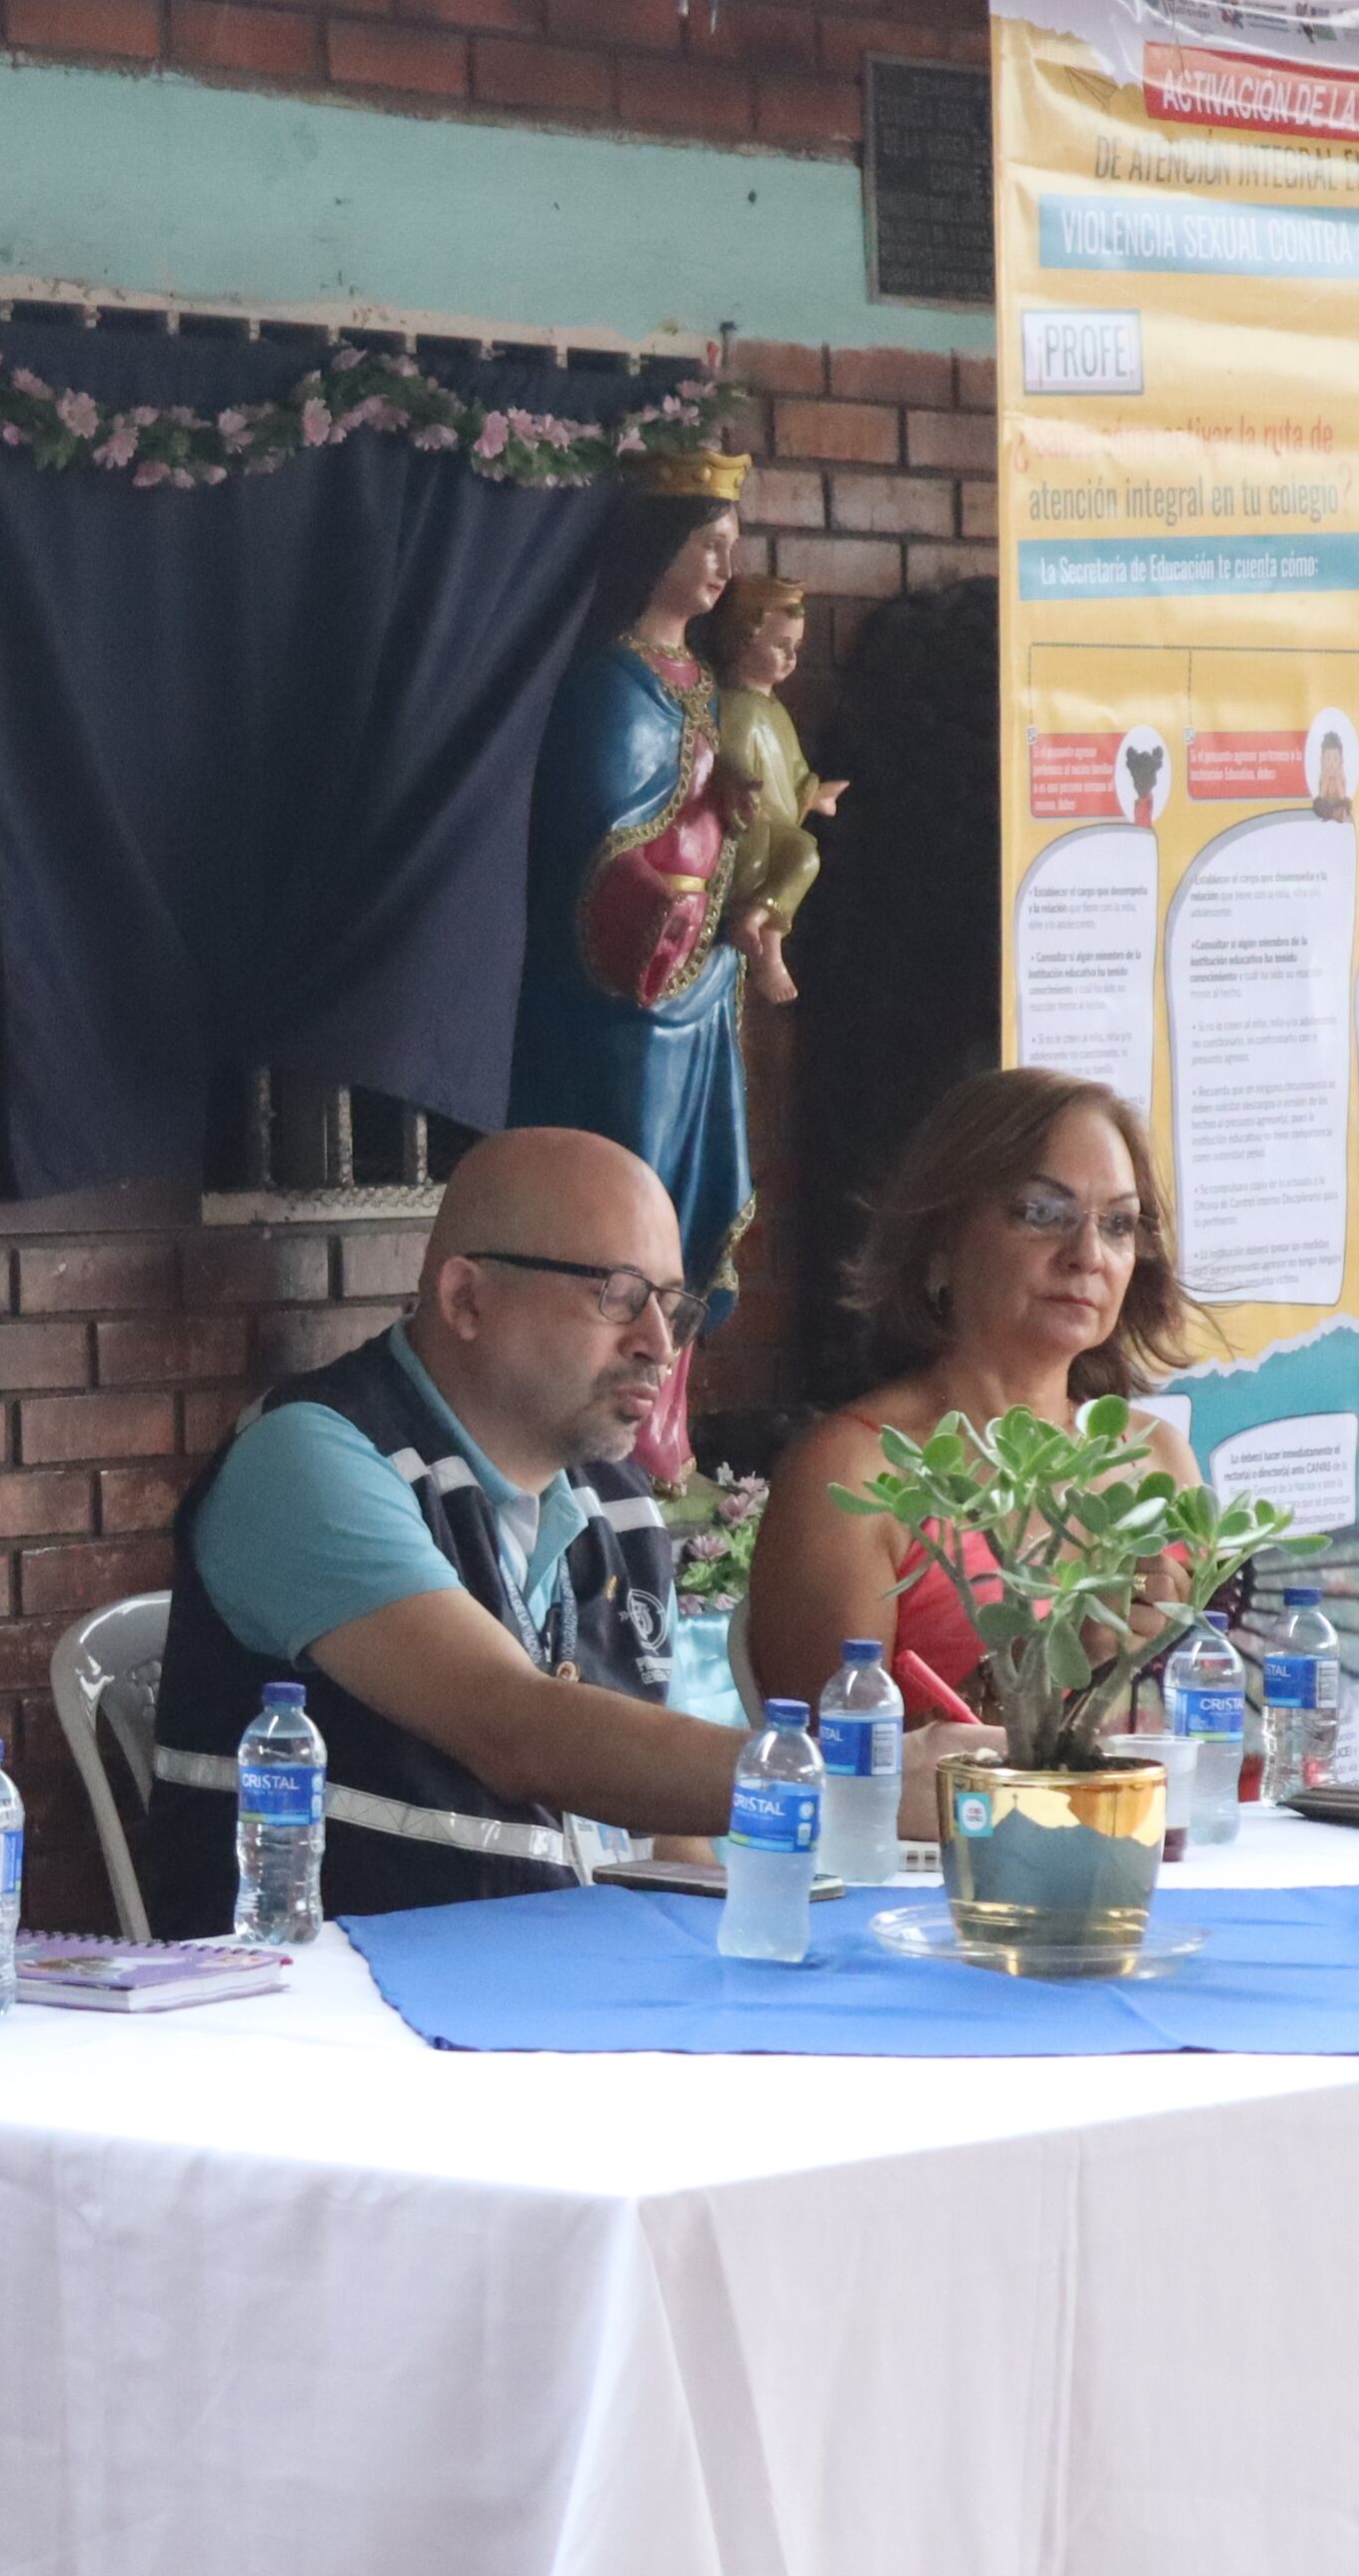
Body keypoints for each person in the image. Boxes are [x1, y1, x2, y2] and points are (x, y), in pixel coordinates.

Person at [146, 1128, 988, 1924]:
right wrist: (846, 1781)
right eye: (618, 1296)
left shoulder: (611, 1495)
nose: (659, 1343)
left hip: (560, 1993)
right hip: (340, 2020)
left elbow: (664, 1836)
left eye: (671, 1305)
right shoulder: (307, 1459)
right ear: (467, 1298)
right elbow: (516, 1728)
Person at [742, 1068, 1204, 1716]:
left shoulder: (1157, 1458)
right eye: (1043, 1213)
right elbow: (825, 1775)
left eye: (1119, 1224)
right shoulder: (853, 1474)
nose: (1087, 1253)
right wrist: (1034, 1673)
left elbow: (1218, 1736)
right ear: (938, 1243)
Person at [511, 455, 757, 1481]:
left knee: (698, 1206)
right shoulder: (608, 682)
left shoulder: (704, 683)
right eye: (704, 546)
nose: (717, 569)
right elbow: (590, 836)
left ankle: (664, 1436)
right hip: (623, 999)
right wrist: (690, 837)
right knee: (627, 1211)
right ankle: (594, 1438)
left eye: (729, 552)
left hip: (702, 989)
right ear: (655, 545)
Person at [699, 573, 839, 1007]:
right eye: (781, 645)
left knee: (806, 854)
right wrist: (740, 782)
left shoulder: (776, 710)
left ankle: (760, 919)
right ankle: (766, 948)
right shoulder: (735, 706)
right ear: (743, 640)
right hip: (751, 831)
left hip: (780, 831)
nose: (792, 658)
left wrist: (814, 794)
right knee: (783, 850)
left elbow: (792, 770)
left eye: (796, 647)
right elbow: (733, 760)